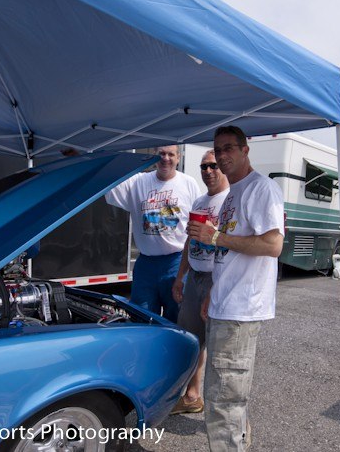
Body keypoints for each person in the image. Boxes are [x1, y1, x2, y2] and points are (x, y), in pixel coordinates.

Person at [187, 126, 284, 452]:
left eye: (229, 148)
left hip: (241, 309)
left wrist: (215, 236)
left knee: (222, 401)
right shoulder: (233, 193)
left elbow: (273, 245)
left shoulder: (261, 188)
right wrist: (213, 291)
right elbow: (228, 255)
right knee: (227, 396)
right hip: (223, 303)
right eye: (218, 149)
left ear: (245, 150)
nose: (222, 155)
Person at [105, 145, 200, 322]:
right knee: (142, 317)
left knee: (176, 318)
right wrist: (82, 156)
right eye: (161, 154)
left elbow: (197, 223)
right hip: (146, 265)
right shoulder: (137, 182)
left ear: (178, 158)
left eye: (171, 154)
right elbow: (106, 179)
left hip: (176, 263)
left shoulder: (189, 184)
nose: (166, 158)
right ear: (154, 156)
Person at [170, 149, 230, 415]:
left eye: (213, 166)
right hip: (194, 276)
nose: (208, 171)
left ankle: (228, 415)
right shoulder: (199, 201)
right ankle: (193, 396)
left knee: (221, 349)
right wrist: (180, 277)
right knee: (193, 341)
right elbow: (189, 241)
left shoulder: (230, 201)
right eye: (204, 166)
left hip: (218, 278)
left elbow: (235, 248)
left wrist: (215, 287)